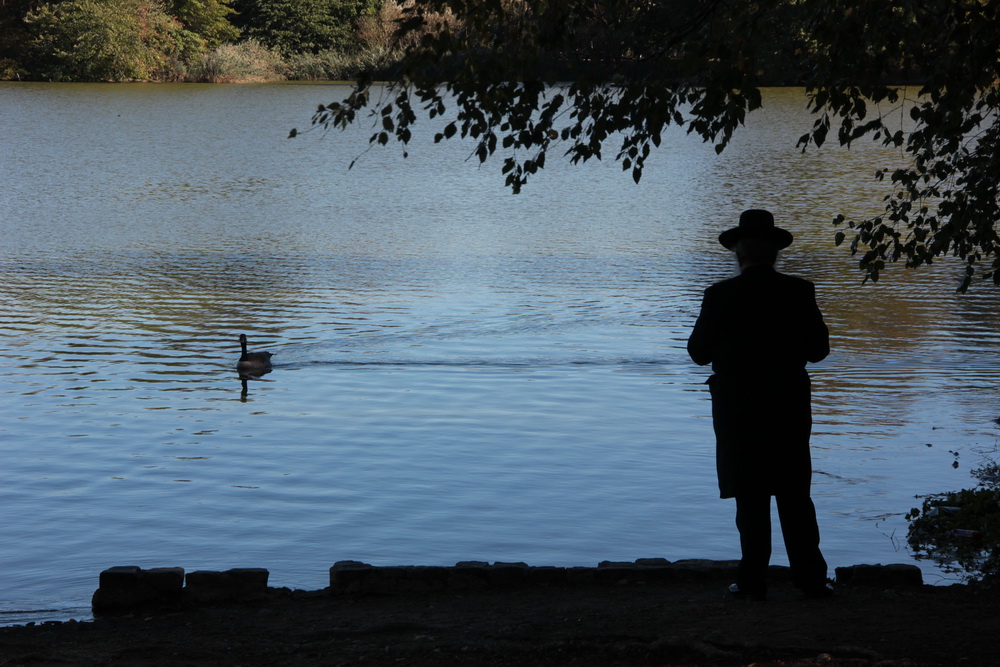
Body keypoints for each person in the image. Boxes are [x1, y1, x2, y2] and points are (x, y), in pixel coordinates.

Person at [687, 209, 832, 600]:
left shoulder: (719, 295)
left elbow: (698, 354)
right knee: (794, 492)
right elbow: (818, 351)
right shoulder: (799, 291)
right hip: (787, 401)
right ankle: (812, 581)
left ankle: (752, 582)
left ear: (738, 253)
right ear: (776, 253)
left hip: (738, 407)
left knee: (750, 494)